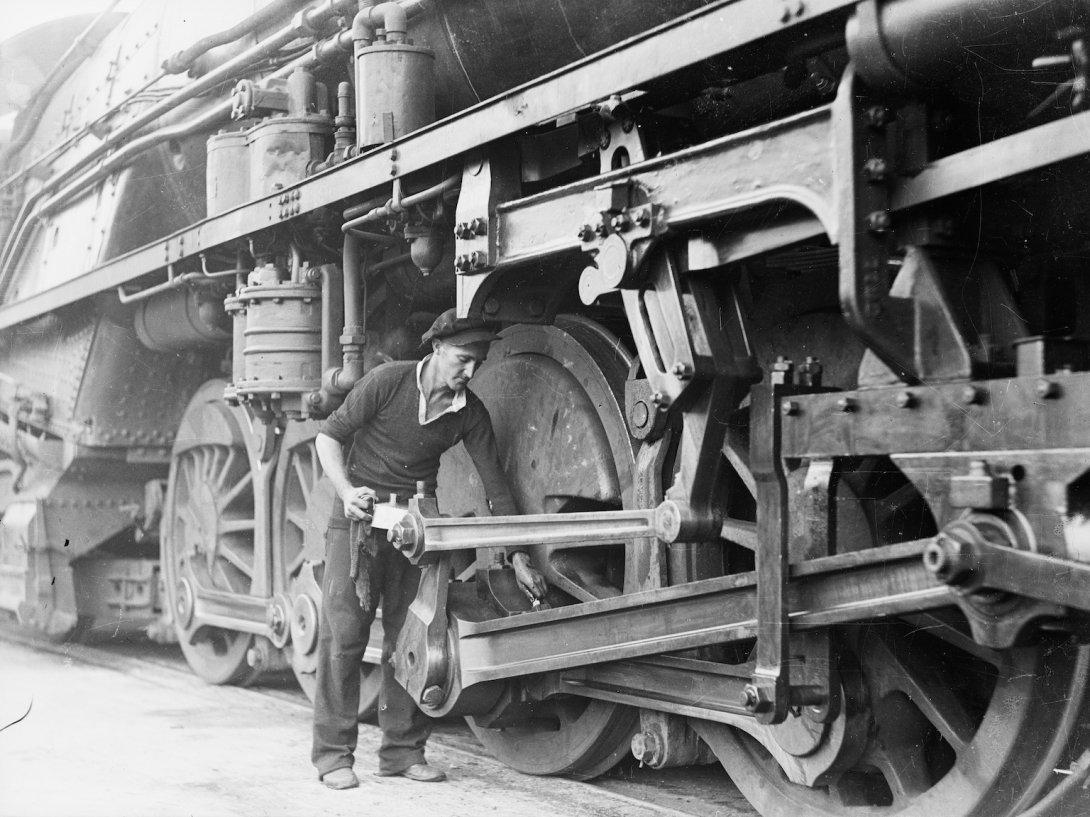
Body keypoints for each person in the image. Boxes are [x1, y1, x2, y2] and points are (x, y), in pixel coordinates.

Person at [311, 308, 547, 790]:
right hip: (357, 522)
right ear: (436, 350)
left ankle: (401, 753)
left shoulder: (469, 412)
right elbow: (327, 438)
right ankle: (333, 755)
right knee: (346, 636)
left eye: (477, 362)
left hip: (416, 528)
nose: (470, 372)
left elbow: (496, 489)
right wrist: (345, 489)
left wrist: (518, 554)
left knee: (411, 636)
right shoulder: (386, 381)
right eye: (463, 359)